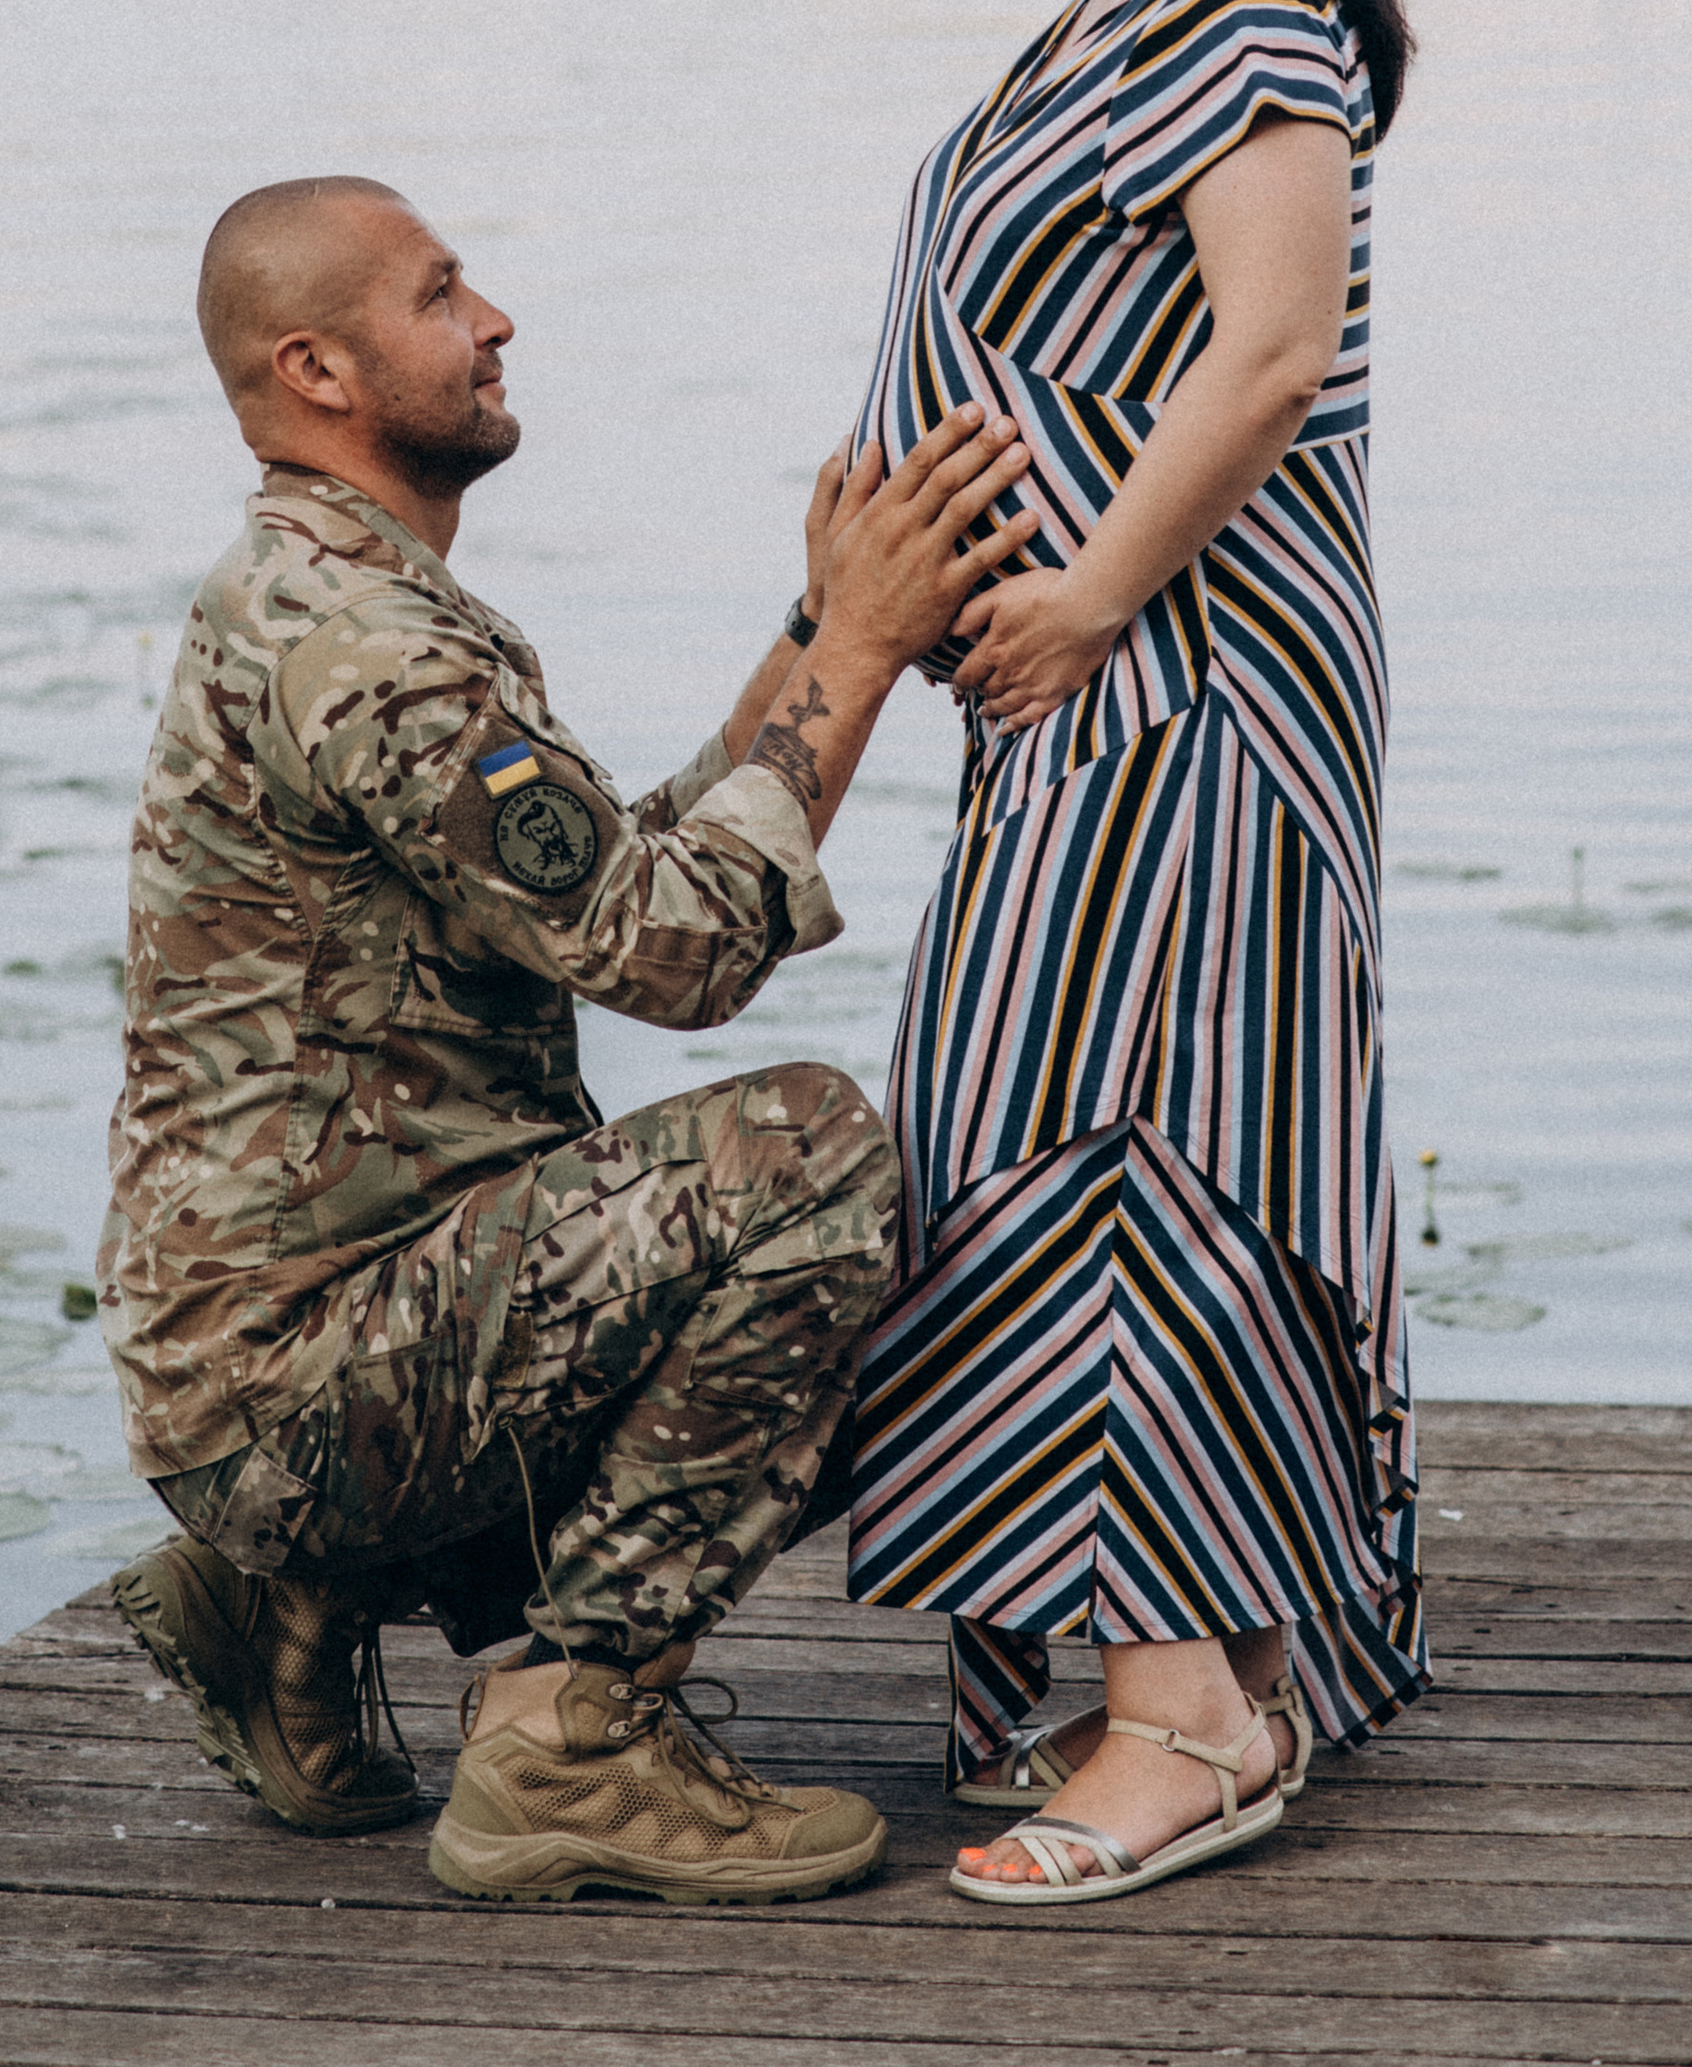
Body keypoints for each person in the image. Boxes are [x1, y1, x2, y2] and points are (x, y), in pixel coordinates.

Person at [97, 172, 1037, 1907]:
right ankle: (570, 1742)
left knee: (855, 1254)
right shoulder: (369, 645)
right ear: (317, 370)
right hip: (302, 1387)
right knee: (810, 1157)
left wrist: (830, 627)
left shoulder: (340, 590)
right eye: (443, 295)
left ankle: (279, 1606)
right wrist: (880, 650)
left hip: (287, 1357)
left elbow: (623, 874)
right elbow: (673, 954)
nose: (496, 319)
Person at [841, 0, 1427, 1907]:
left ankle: (1182, 1717)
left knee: (1131, 1131)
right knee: (1027, 1115)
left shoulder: (1242, 21)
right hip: (1070, 705)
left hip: (1186, 695)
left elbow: (1267, 353)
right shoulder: (1106, 19)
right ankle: (1185, 1657)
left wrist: (1085, 591)